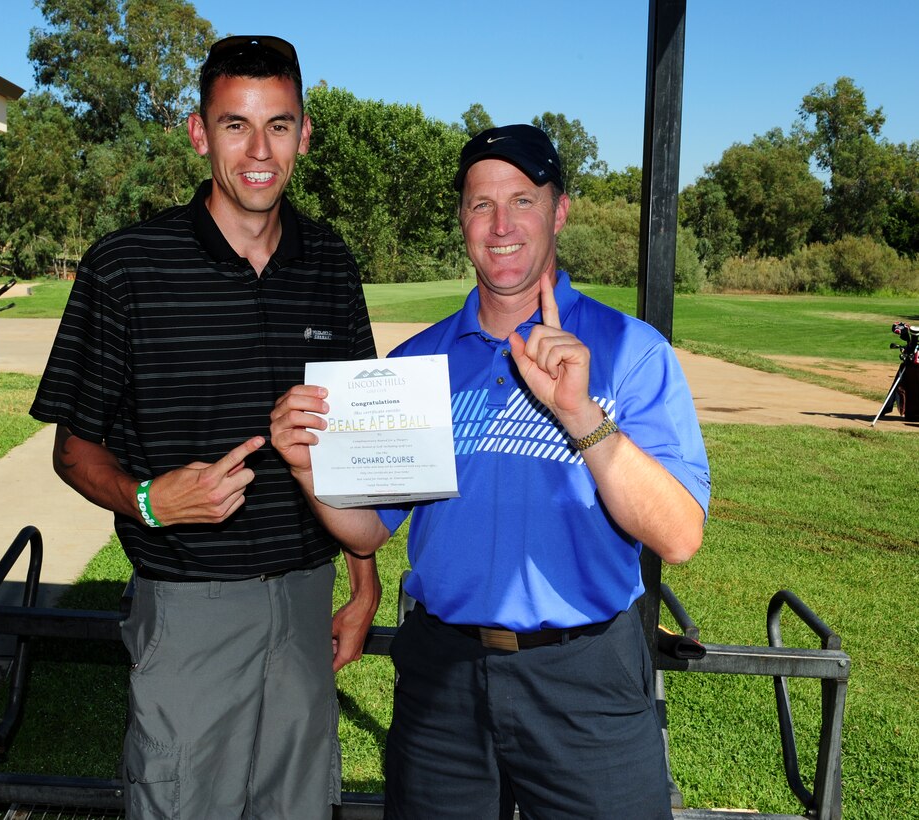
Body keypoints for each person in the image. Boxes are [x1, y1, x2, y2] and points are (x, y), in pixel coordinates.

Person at [270, 124, 711, 818]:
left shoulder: (632, 352)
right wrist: (306, 469)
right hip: (443, 675)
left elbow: (680, 535)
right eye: (481, 204)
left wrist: (582, 416)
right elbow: (365, 533)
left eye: (523, 200)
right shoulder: (418, 364)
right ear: (463, 220)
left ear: (560, 210)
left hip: (584, 677)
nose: (501, 225)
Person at [29, 35, 381, 819]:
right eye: (235, 125)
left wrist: (364, 584)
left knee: (297, 808)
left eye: (279, 125)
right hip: (187, 611)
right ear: (199, 132)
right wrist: (151, 500)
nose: (260, 151)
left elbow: (354, 443)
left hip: (303, 606)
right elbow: (73, 448)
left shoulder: (330, 262)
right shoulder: (125, 267)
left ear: (305, 133)